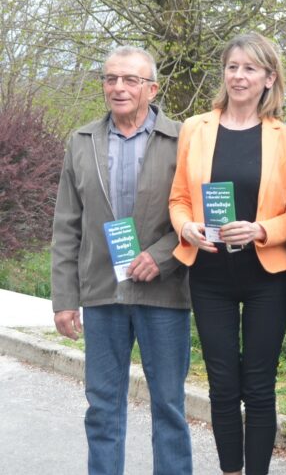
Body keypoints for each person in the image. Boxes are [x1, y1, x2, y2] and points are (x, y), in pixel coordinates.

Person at [51, 46, 192, 474]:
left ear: (152, 87)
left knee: (168, 406)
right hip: (101, 292)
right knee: (102, 406)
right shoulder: (81, 141)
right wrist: (64, 298)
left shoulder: (184, 138)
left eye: (130, 79)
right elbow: (66, 226)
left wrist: (163, 256)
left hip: (163, 292)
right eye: (111, 79)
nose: (118, 87)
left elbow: (195, 212)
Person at [168, 33, 286, 475]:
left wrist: (262, 229)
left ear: (268, 78)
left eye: (250, 68)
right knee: (222, 386)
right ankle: (230, 470)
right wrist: (187, 227)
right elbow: (179, 197)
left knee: (259, 387)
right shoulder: (195, 128)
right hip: (209, 274)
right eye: (232, 67)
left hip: (266, 275)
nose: (239, 76)